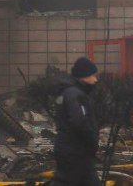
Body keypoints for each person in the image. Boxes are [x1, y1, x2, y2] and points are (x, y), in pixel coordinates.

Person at [52, 57, 101, 186]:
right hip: (75, 151)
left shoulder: (68, 93)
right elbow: (80, 122)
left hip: (73, 151)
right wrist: (92, 142)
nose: (96, 80)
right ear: (84, 76)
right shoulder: (75, 94)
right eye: (93, 76)